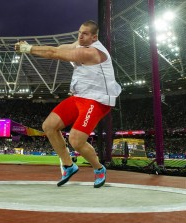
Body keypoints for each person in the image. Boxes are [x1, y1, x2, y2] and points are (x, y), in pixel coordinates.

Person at [15, 20, 121, 188]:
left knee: (76, 140)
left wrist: (28, 48)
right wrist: (32, 46)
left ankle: (99, 169)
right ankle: (68, 165)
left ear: (94, 37)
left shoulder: (92, 52)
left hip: (97, 100)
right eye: (79, 32)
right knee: (49, 126)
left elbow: (54, 53)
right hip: (79, 97)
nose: (80, 36)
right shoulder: (81, 44)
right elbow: (62, 48)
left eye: (85, 34)